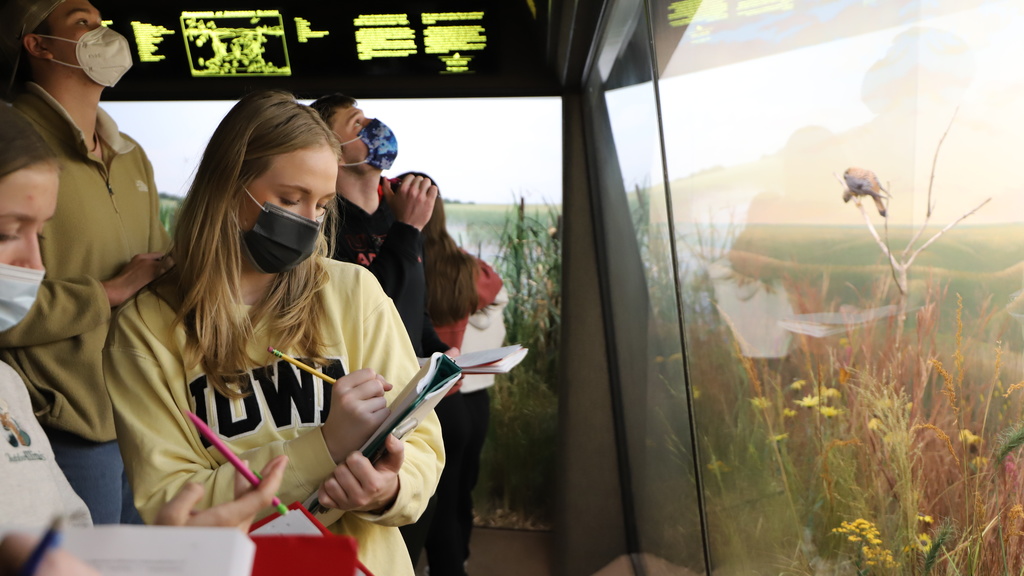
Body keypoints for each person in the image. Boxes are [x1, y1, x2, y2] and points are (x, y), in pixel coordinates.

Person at [102, 90, 444, 576]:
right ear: (227, 185)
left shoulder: (352, 293)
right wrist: (323, 449)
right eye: (289, 199)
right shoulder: (147, 331)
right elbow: (171, 504)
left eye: (323, 205)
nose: (307, 222)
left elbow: (423, 445)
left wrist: (387, 489)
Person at [0, 102, 289, 576]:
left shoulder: (7, 389)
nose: (36, 265)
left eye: (41, 233)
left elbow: (72, 536)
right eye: (7, 233)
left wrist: (176, 557)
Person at [0, 0, 171, 524]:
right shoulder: (14, 149)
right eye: (81, 23)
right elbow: (7, 302)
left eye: (101, 23)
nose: (103, 34)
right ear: (37, 44)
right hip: (61, 426)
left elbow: (159, 270)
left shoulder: (131, 154)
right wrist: (109, 292)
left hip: (141, 416)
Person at [309, 93, 452, 359]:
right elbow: (363, 307)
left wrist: (437, 350)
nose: (374, 123)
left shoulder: (397, 213)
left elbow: (415, 304)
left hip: (413, 378)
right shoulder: (322, 224)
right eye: (358, 123)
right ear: (333, 151)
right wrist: (407, 228)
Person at [415, 181, 504, 576]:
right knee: (459, 493)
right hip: (462, 396)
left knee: (433, 499)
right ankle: (458, 562)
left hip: (421, 399)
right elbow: (495, 286)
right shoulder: (463, 267)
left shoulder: (403, 262)